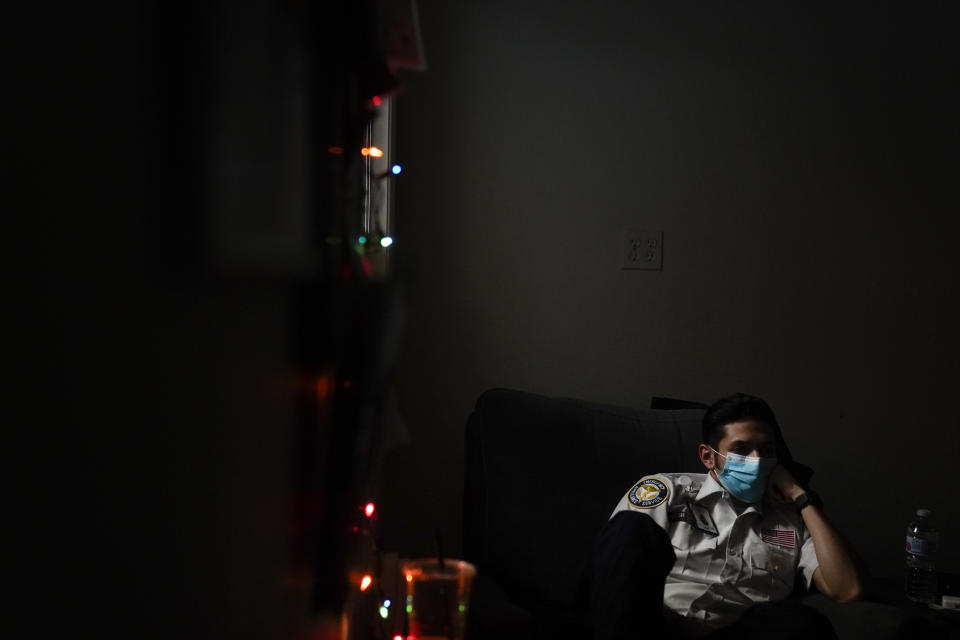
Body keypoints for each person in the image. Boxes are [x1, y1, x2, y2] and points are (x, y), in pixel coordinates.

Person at [588, 393, 866, 639]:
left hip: (730, 633)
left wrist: (799, 495)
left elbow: (847, 589)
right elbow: (618, 571)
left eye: (767, 451)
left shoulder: (792, 519)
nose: (757, 460)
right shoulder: (666, 489)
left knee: (802, 623)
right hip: (651, 625)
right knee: (631, 527)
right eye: (741, 450)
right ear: (708, 457)